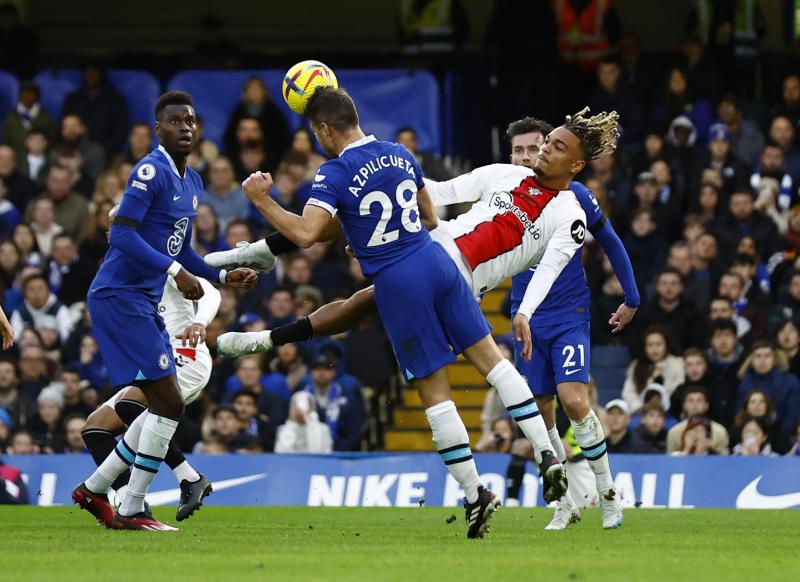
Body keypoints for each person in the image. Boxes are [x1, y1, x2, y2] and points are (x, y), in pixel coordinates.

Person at [213, 87, 589, 538]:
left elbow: (309, 233)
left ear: (324, 130)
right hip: (438, 264)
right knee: (493, 362)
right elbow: (429, 218)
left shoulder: (334, 171)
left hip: (402, 278)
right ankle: (546, 451)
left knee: (435, 393)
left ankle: (475, 494)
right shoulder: (399, 153)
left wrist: (262, 200)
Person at [71, 91, 257, 532]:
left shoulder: (192, 182)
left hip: (142, 300)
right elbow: (121, 235)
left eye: (190, 121)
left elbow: (182, 249)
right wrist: (176, 269)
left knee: (160, 404)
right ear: (159, 129)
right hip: (120, 295)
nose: (185, 127)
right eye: (175, 121)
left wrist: (221, 273)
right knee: (167, 402)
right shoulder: (150, 170)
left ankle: (98, 490)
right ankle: (131, 505)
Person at [80, 204, 223, 522]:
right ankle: (125, 499)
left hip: (186, 353)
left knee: (133, 405)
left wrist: (199, 322)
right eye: (114, 228)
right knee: (95, 428)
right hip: (153, 356)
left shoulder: (159, 261)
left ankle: (182, 479)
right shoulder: (116, 270)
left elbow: (210, 291)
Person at [61, 66, 129, 157]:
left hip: (107, 152)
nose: (91, 76)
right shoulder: (73, 99)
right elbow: (63, 128)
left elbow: (121, 131)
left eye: (94, 73)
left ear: (101, 75)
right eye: (88, 73)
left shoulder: (115, 99)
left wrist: (103, 151)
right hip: (72, 152)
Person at [666, 386, 729, 455]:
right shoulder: (674, 431)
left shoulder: (719, 431)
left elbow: (724, 458)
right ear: (684, 406)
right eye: (690, 401)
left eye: (699, 400)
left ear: (706, 405)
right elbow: (670, 460)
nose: (695, 404)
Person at [2, 81, 54, 162]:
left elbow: (52, 141)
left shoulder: (46, 118)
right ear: (19, 95)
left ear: (37, 97)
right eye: (25, 93)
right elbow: (6, 140)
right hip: (15, 161)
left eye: (31, 94)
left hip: (40, 161)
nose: (28, 96)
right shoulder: (10, 117)